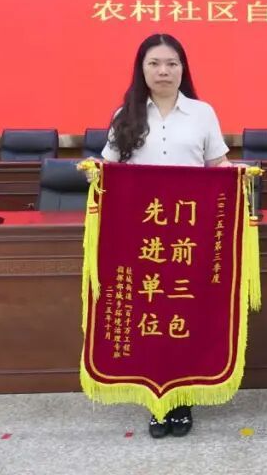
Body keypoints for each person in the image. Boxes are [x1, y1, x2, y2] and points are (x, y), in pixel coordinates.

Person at [99, 33, 232, 438]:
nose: (163, 71)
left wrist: (238, 176)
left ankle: (182, 399)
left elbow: (218, 165)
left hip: (190, 235)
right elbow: (108, 170)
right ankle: (156, 402)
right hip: (142, 237)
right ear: (142, 69)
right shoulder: (125, 114)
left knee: (184, 312)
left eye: (171, 63)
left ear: (182, 69)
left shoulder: (202, 113)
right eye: (154, 63)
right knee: (149, 315)